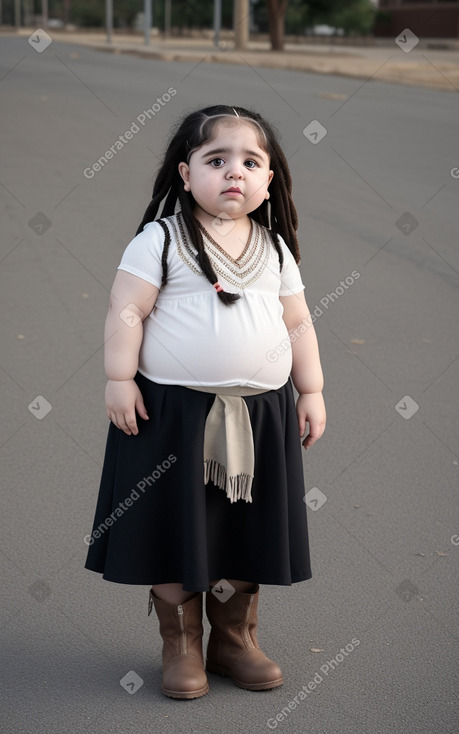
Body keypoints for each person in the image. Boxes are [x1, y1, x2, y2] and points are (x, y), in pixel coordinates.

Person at [85, 104, 326, 700]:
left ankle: (233, 638)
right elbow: (127, 309)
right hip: (171, 415)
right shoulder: (160, 239)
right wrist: (120, 377)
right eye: (216, 160)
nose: (234, 173)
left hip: (260, 415)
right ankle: (182, 643)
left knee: (244, 528)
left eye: (250, 162)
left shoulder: (274, 248)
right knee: (174, 524)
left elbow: (298, 321)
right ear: (185, 173)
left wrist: (312, 389)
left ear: (270, 180)